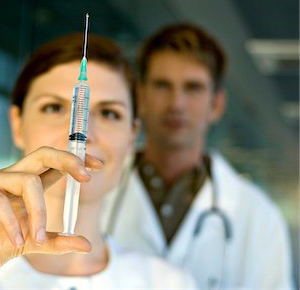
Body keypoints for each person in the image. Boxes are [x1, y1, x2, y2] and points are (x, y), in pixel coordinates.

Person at [0, 33, 196, 289]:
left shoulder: (167, 283)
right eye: (52, 108)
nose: (82, 132)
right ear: (17, 124)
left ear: (132, 136)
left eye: (109, 113)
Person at [102, 23, 294, 289]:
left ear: (216, 104)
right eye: (162, 85)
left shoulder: (259, 217)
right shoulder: (94, 193)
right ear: (141, 97)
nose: (176, 103)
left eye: (193, 88)